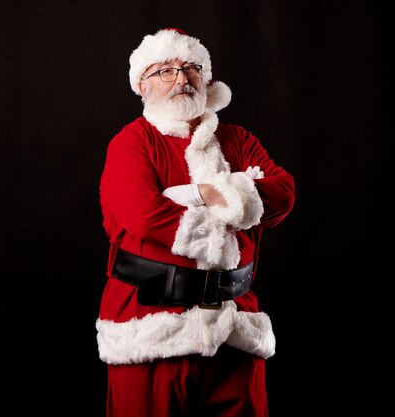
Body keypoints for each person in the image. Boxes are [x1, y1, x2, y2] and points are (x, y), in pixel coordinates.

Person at [95, 27, 296, 417]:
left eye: (191, 68)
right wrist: (233, 196)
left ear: (206, 78)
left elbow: (284, 193)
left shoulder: (238, 140)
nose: (182, 78)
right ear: (142, 84)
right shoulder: (131, 142)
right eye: (165, 70)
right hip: (152, 328)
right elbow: (144, 213)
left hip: (235, 325)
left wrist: (193, 194)